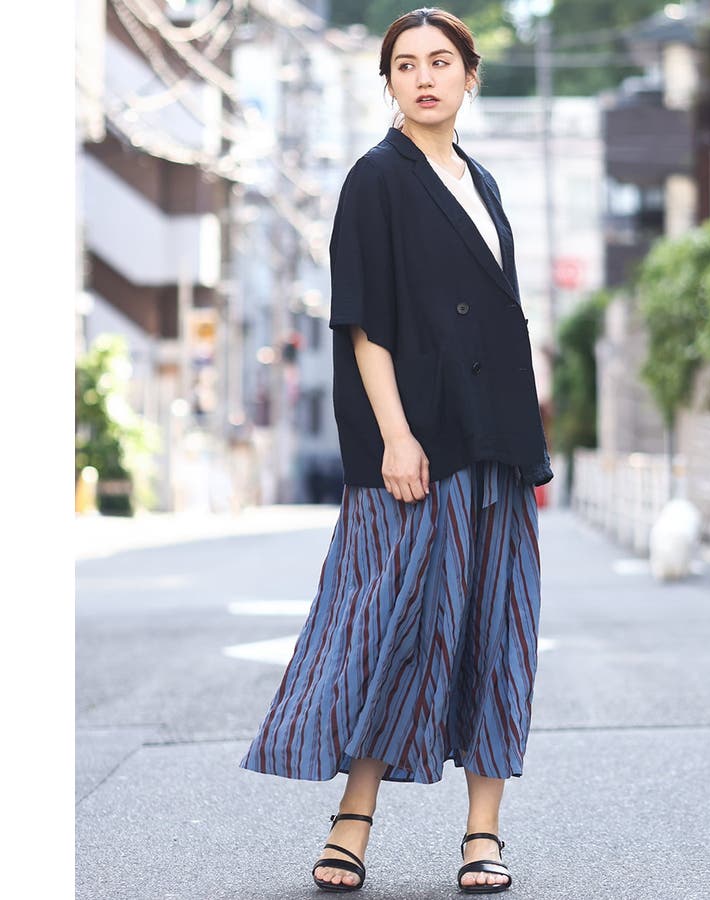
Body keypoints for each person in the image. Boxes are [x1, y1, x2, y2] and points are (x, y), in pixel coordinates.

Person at [239, 7, 553, 894]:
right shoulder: (375, 178)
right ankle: (353, 817)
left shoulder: (481, 182)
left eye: (440, 62)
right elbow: (363, 321)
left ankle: (483, 833)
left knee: (498, 629)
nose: (424, 77)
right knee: (393, 624)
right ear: (388, 83)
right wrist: (396, 436)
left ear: (469, 76)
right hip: (418, 444)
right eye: (406, 64)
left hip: (496, 439)